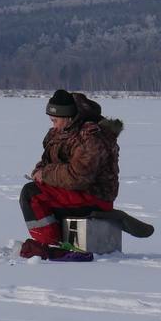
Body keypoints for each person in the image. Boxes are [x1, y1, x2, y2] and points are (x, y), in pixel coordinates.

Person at [18, 89, 150, 259]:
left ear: (67, 117)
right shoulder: (57, 134)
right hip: (72, 194)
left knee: (31, 194)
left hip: (94, 196)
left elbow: (78, 177)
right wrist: (39, 172)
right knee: (37, 189)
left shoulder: (91, 137)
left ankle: (52, 245)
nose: (53, 125)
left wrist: (45, 174)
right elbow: (45, 163)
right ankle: (55, 241)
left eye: (55, 120)